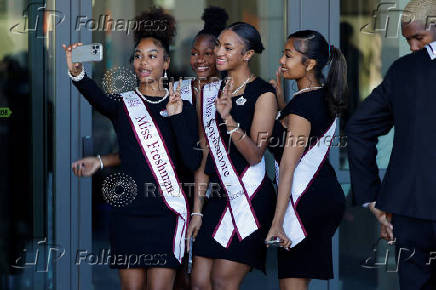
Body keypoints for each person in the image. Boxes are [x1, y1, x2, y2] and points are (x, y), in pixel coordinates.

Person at [70, 7, 229, 290]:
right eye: (139, 57)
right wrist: (78, 73)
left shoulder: (182, 102)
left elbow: (192, 159)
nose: (144, 63)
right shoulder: (123, 104)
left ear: (166, 63)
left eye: (152, 56)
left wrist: (178, 115)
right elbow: (95, 96)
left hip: (166, 214)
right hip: (128, 213)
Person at [346, 0, 436, 289]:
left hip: (411, 210)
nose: (412, 46)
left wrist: (372, 197)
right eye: (407, 39)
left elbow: (359, 126)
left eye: (418, 38)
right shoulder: (405, 69)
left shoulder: (404, 71)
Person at [187, 21, 278, 290]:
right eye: (218, 46)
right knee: (199, 281)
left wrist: (228, 118)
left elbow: (254, 155)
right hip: (217, 197)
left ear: (248, 54)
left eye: (228, 47)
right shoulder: (214, 91)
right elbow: (206, 153)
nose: (218, 52)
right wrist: (196, 211)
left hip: (248, 197)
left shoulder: (263, 94)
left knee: (222, 280)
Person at [266, 30, 347, 290]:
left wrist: (278, 222)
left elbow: (289, 165)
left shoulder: (303, 106)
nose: (281, 61)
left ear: (310, 63)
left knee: (292, 283)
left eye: (288, 55)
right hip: (322, 196)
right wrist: (281, 104)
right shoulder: (318, 97)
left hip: (305, 201)